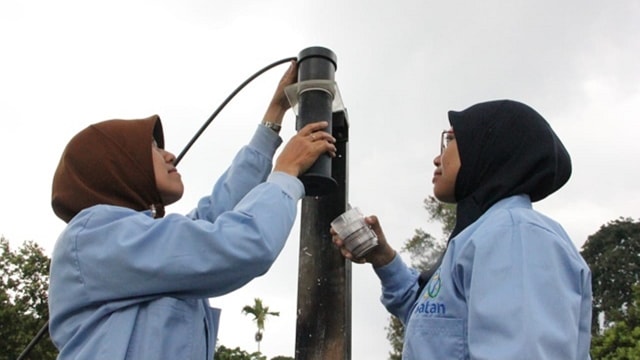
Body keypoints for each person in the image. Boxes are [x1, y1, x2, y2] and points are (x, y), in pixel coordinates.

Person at [48, 61, 336, 359]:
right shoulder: (94, 235)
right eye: (153, 148)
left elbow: (215, 218)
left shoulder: (132, 246)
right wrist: (286, 173)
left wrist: (274, 114)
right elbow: (237, 244)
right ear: (115, 167)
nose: (168, 154)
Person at [332, 100, 592, 359]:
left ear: (489, 149)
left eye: (452, 140)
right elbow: (431, 322)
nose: (437, 158)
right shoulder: (480, 237)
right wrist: (383, 258)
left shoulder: (516, 236)